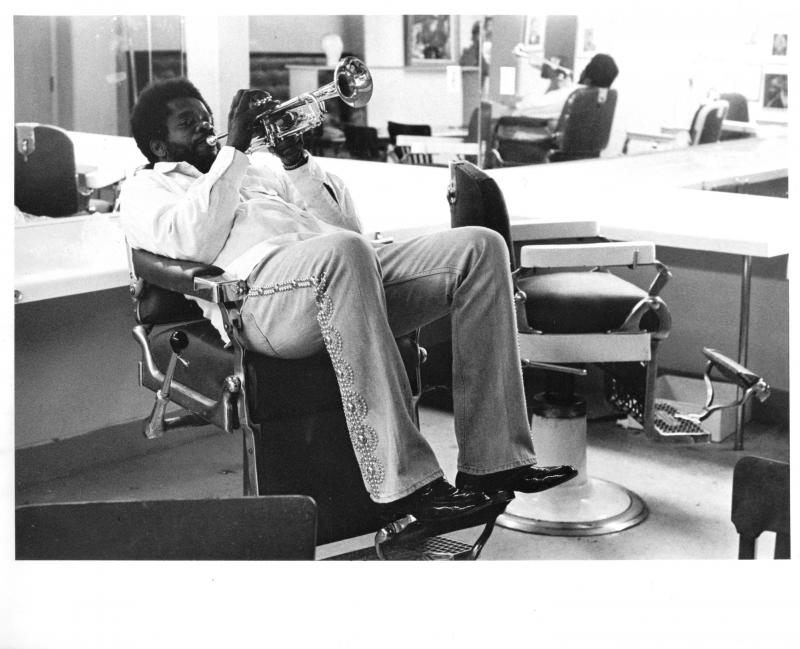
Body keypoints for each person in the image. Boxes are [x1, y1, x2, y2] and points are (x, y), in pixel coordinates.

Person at [119, 78, 577, 522]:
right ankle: (411, 485)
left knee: (481, 247)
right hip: (260, 305)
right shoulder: (147, 189)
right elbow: (194, 240)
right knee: (345, 255)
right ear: (159, 147)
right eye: (187, 124)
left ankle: (493, 463)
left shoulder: (256, 172)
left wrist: (296, 161)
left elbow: (345, 229)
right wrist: (235, 152)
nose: (204, 128)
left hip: (339, 273)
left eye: (206, 119)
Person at [514, 53, 619, 124]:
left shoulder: (573, 96)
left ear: (586, 75)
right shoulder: (608, 100)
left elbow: (525, 108)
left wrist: (547, 77)